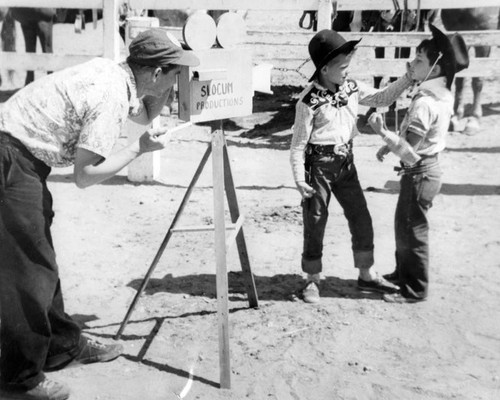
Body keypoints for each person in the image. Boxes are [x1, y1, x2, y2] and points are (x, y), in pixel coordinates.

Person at [0, 29, 199, 400]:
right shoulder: (109, 94)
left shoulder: (116, 74)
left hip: (16, 153)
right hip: (10, 156)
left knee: (38, 259)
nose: (178, 82)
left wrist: (165, 92)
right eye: (174, 75)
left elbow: (140, 111)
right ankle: (20, 377)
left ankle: (61, 345)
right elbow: (84, 176)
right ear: (155, 73)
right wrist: (138, 149)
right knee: (28, 268)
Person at [290, 29, 415, 304]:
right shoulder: (307, 102)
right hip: (318, 166)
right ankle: (312, 279)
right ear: (324, 69)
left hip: (346, 163)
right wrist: (300, 179)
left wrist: (408, 79)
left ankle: (366, 274)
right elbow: (298, 145)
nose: (347, 72)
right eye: (343, 67)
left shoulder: (353, 89)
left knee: (361, 217)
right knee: (315, 221)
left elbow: (382, 98)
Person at [368, 24, 469, 303]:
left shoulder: (425, 101)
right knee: (405, 224)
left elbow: (410, 151)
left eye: (419, 61)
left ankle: (414, 290)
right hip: (424, 169)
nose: (411, 64)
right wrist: (388, 145)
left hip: (419, 170)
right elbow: (412, 141)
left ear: (434, 70)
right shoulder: (441, 94)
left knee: (413, 230)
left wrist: (382, 133)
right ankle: (403, 273)